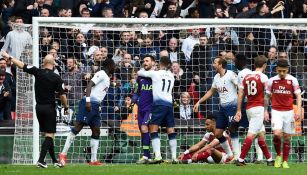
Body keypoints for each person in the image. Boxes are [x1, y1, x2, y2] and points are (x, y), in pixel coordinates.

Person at [1, 51, 68, 168]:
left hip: (38, 108)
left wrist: (10, 57)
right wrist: (66, 107)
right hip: (49, 108)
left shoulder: (38, 71)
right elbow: (62, 95)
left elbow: (22, 65)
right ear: (54, 63)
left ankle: (54, 161)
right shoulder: (57, 77)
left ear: (43, 63)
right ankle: (41, 160)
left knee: (47, 134)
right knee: (50, 135)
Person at [59, 58, 116, 166]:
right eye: (114, 66)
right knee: (77, 128)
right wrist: (88, 101)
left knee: (96, 131)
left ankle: (93, 160)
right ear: (109, 66)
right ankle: (63, 154)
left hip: (96, 106)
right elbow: (89, 85)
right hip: (88, 103)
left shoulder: (107, 78)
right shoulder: (101, 73)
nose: (115, 68)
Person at [193, 56, 236, 162]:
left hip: (232, 107)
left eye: (215, 63)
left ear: (220, 65)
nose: (213, 64)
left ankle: (237, 155)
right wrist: (199, 101)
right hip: (222, 108)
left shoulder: (231, 74)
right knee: (217, 133)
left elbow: (240, 87)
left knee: (233, 131)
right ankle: (230, 156)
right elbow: (211, 92)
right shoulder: (216, 77)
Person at [234, 55, 274, 166]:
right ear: (265, 65)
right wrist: (266, 110)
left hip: (248, 108)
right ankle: (240, 159)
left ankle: (269, 159)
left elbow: (240, 94)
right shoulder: (264, 77)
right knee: (251, 134)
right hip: (258, 108)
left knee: (260, 134)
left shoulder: (246, 77)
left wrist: (238, 110)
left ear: (254, 64)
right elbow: (267, 96)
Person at [137, 56, 177, 163]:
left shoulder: (156, 73)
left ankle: (158, 156)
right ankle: (174, 157)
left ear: (160, 63)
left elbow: (140, 73)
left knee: (153, 129)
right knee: (170, 130)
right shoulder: (172, 76)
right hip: (169, 104)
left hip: (158, 104)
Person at [266, 59, 302, 169]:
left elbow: (298, 96)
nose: (282, 73)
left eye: (284, 71)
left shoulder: (293, 80)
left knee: (287, 137)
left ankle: (285, 161)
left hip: (289, 113)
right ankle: (278, 156)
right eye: (280, 71)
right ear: (276, 69)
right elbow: (267, 96)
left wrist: (299, 110)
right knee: (276, 134)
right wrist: (265, 111)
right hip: (276, 112)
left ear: (287, 70)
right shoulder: (272, 81)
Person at [133, 55, 155, 164]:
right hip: (140, 108)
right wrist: (133, 100)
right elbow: (136, 92)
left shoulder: (156, 76)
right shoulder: (140, 77)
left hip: (151, 108)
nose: (145, 63)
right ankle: (148, 156)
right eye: (144, 61)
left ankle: (146, 156)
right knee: (143, 131)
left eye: (147, 61)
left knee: (145, 128)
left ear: (153, 63)